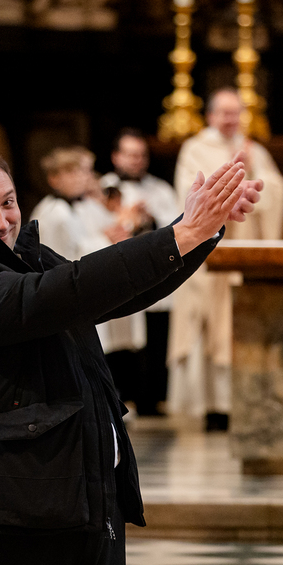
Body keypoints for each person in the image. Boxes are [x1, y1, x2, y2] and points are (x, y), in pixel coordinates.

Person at [0, 141, 259, 565]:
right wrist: (182, 234)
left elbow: (115, 294)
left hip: (84, 498)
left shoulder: (26, 258)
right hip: (13, 510)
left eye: (8, 203)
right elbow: (58, 294)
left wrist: (202, 229)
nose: (1, 221)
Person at [168, 87, 283, 431]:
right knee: (205, 320)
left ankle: (242, 404)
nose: (230, 119)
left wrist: (254, 181)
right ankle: (210, 406)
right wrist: (231, 186)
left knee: (240, 323)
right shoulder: (195, 149)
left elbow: (276, 190)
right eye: (224, 112)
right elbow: (188, 193)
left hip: (242, 253)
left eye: (236, 113)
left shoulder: (255, 151)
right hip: (205, 254)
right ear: (210, 115)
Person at [31, 146, 147, 418]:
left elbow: (97, 234)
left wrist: (117, 229)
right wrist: (108, 238)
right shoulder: (52, 212)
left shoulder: (79, 206)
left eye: (81, 172)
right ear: (54, 178)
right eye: (71, 172)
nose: (80, 178)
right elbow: (64, 254)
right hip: (61, 294)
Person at [101, 128, 180, 416]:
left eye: (141, 155)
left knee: (157, 336)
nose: (136, 160)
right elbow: (97, 224)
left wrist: (151, 218)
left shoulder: (161, 189)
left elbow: (177, 224)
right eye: (130, 154)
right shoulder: (103, 188)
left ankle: (153, 399)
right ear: (116, 157)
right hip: (121, 272)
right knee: (123, 337)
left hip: (156, 272)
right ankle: (123, 396)